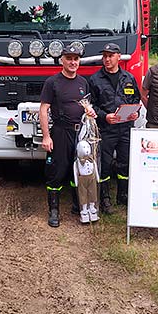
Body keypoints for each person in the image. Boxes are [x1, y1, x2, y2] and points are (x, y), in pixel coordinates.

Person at [40, 43, 96, 227]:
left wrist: (90, 112)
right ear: (62, 60)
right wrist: (46, 136)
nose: (73, 62)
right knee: (58, 170)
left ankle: (77, 205)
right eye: (69, 59)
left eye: (76, 59)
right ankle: (54, 211)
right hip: (60, 131)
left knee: (79, 170)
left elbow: (86, 105)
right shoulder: (52, 82)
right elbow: (43, 109)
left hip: (80, 132)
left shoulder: (82, 82)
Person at [89, 43, 141, 213]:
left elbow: (136, 101)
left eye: (110, 56)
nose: (107, 59)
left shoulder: (129, 78)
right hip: (106, 129)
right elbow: (91, 106)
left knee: (124, 163)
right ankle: (104, 199)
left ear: (119, 57)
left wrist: (135, 113)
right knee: (104, 164)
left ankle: (123, 195)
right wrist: (105, 116)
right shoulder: (95, 79)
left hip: (125, 128)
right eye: (105, 56)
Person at [73, 140, 100, 224]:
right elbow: (75, 172)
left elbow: (95, 169)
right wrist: (76, 181)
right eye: (84, 147)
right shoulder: (77, 162)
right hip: (82, 180)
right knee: (83, 194)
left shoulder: (92, 159)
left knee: (93, 193)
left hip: (92, 178)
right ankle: (84, 210)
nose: (87, 149)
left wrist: (97, 178)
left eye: (87, 147)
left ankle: (92, 208)